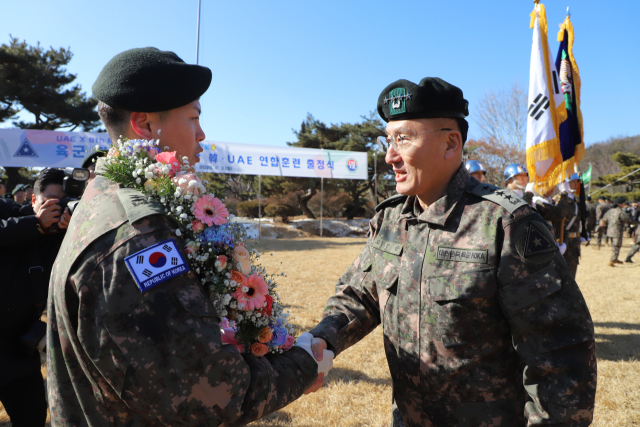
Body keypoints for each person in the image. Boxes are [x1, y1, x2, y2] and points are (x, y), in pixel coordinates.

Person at [47, 47, 322, 427]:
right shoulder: (137, 236)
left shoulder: (101, 197)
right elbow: (215, 397)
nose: (202, 134)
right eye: (193, 117)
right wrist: (304, 363)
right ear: (144, 125)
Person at [309, 77, 597, 426]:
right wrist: (322, 339)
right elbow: (359, 295)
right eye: (388, 140)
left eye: (403, 139)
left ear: (450, 143)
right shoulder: (390, 218)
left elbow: (561, 353)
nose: (389, 156)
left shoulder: (506, 223)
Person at [0, 168, 71, 427]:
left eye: (62, 203)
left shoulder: (63, 236)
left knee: (31, 418)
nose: (56, 210)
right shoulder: (8, 212)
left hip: (20, 350)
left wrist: (68, 232)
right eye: (49, 202)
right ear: (33, 200)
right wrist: (35, 224)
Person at [553, 174, 583, 277]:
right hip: (564, 242)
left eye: (577, 182)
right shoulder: (559, 201)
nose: (576, 184)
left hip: (574, 244)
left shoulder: (575, 202)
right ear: (565, 183)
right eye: (573, 182)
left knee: (572, 277)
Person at [602, 197, 639, 266]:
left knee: (614, 246)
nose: (624, 204)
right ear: (620, 204)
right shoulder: (621, 212)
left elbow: (604, 220)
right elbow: (629, 220)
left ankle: (615, 258)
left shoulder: (610, 211)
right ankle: (612, 261)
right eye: (623, 203)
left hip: (609, 231)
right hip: (617, 232)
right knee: (617, 246)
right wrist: (637, 222)